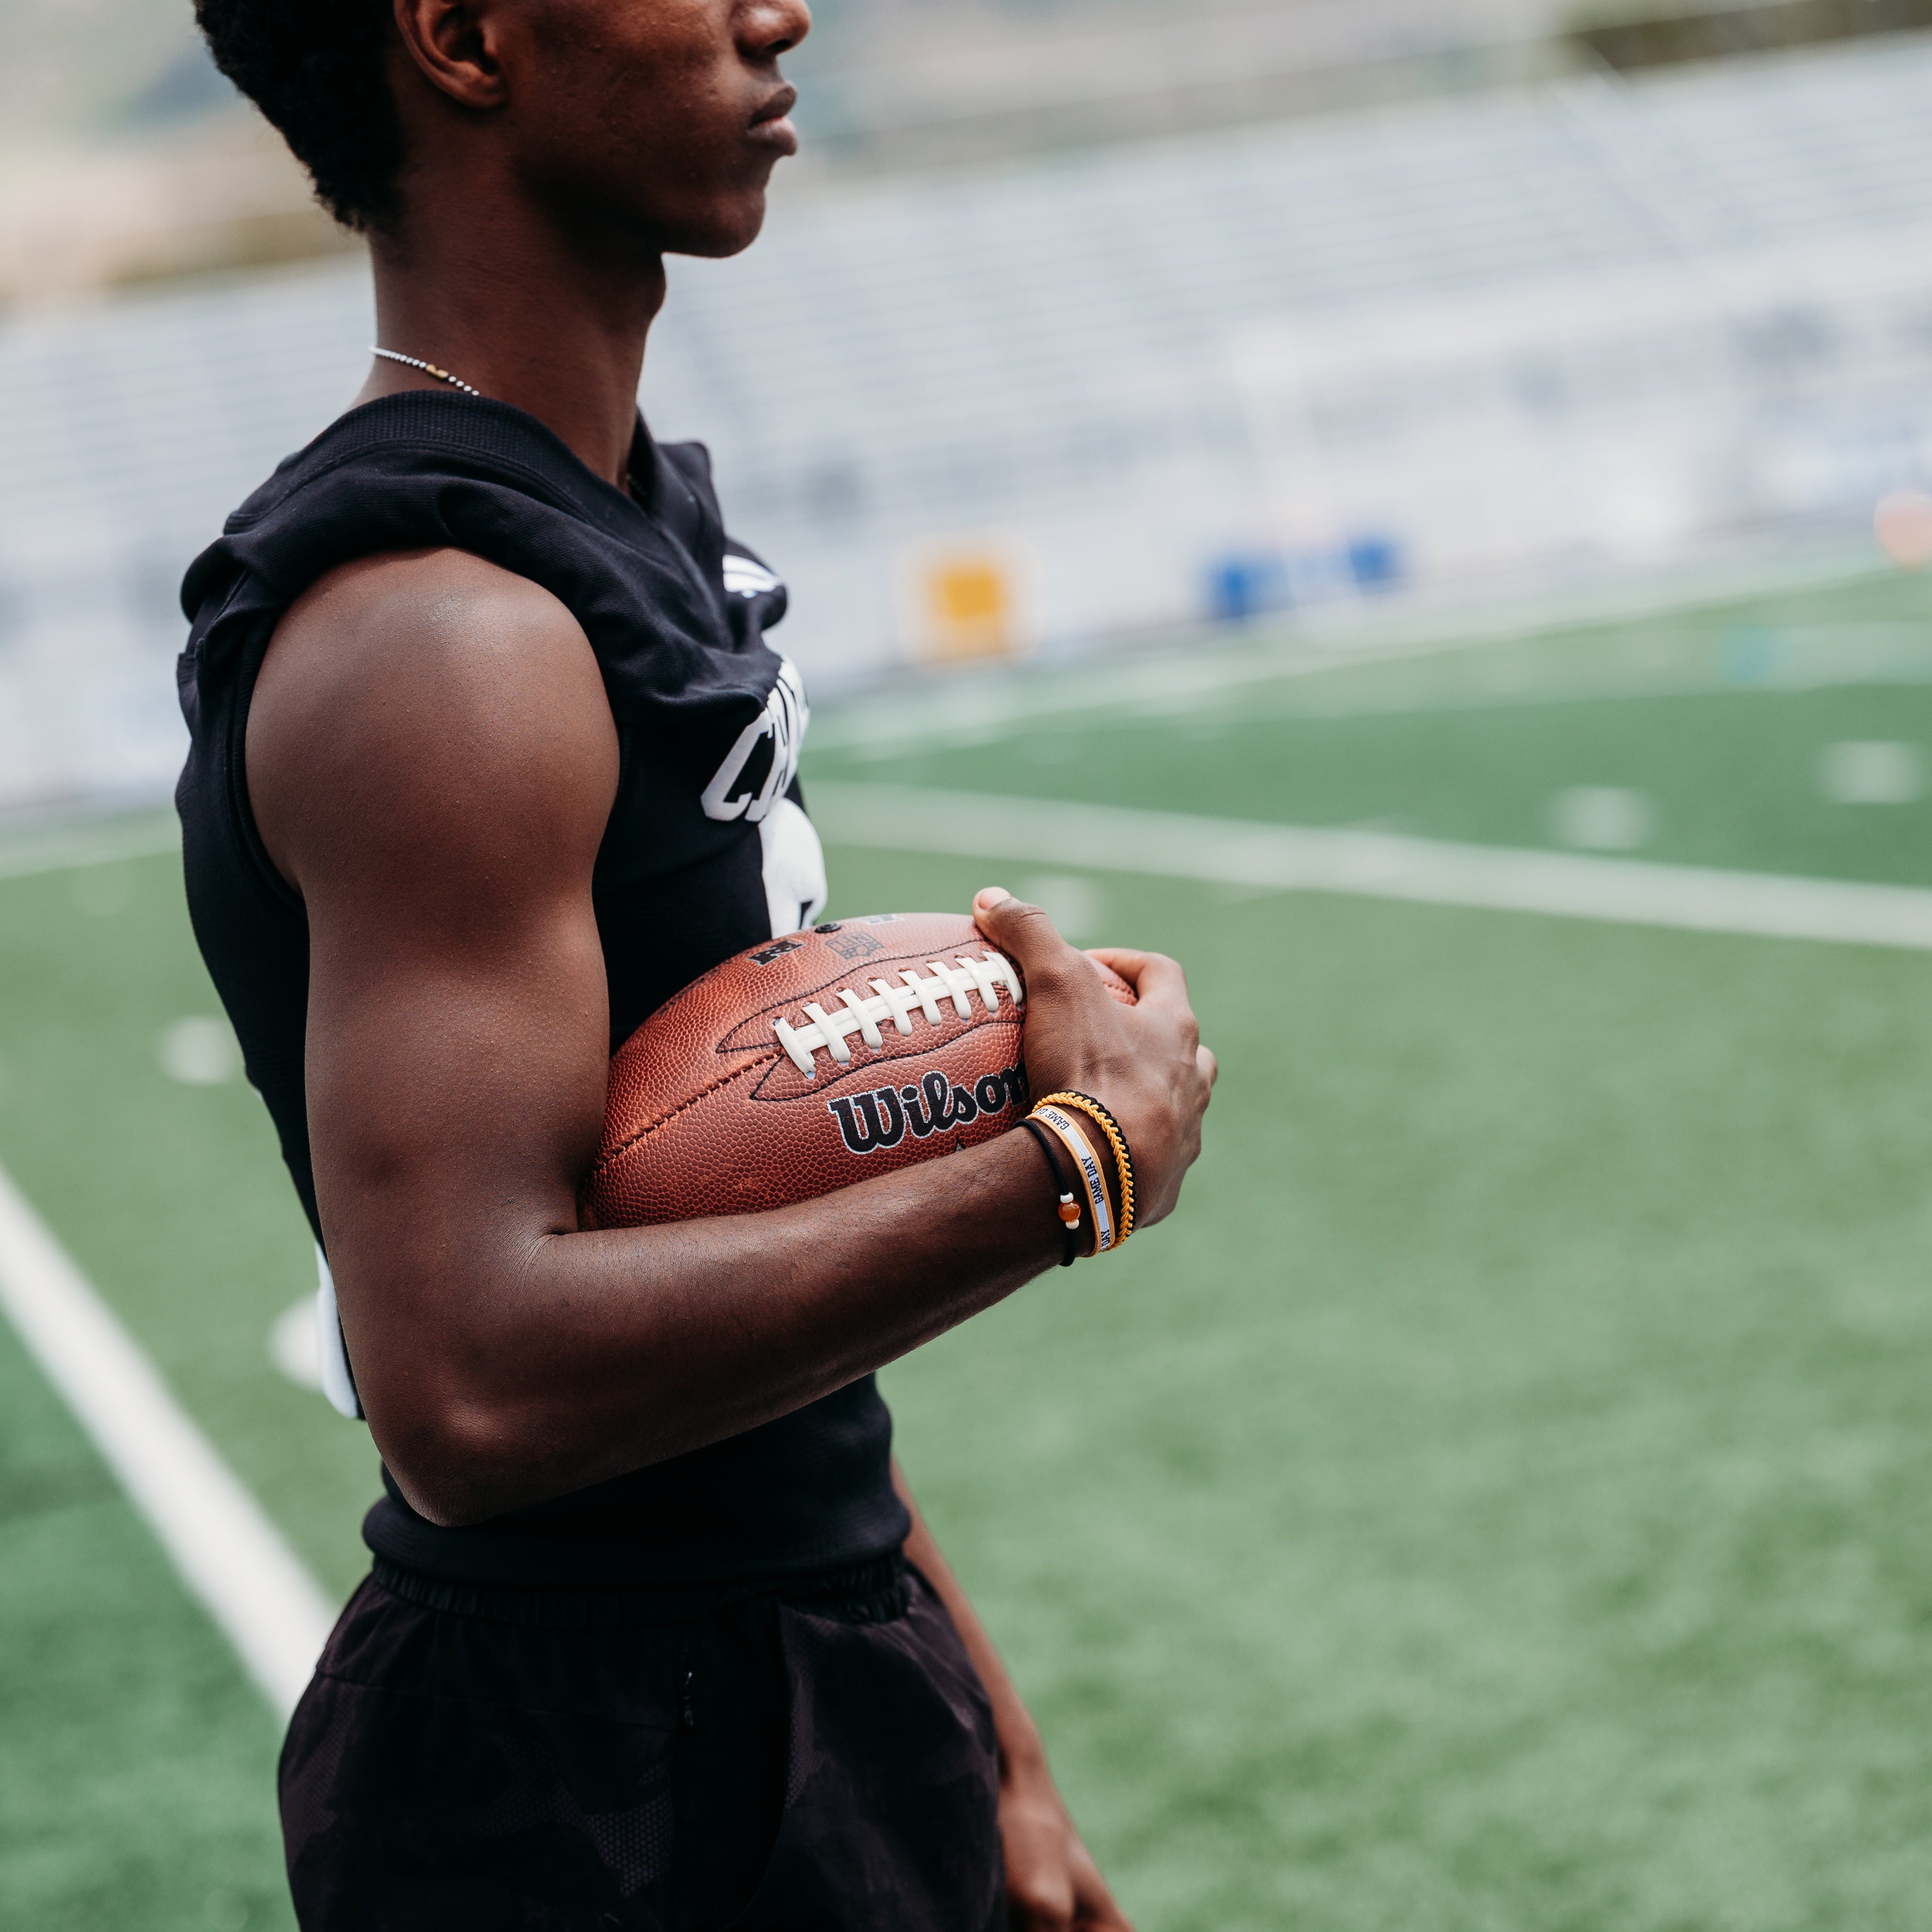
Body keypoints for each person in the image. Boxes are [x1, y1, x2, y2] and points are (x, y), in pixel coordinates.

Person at [178, 2, 1216, 1925]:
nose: (778, 9)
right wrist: (1075, 1167)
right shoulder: (440, 636)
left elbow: (738, 1242)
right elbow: (475, 1390)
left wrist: (991, 1740)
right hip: (582, 1776)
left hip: (794, 1663)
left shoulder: (607, 534)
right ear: (466, 34)